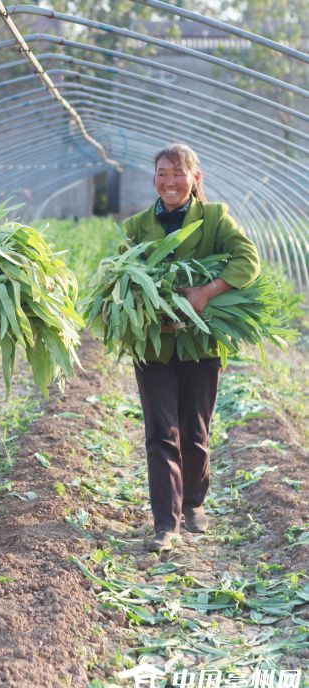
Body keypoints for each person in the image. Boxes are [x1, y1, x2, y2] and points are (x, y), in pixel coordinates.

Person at [123, 143, 260, 552]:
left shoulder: (215, 218)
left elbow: (247, 259)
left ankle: (195, 502)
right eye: (163, 173)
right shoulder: (137, 226)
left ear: (195, 178)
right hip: (155, 345)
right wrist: (148, 311)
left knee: (195, 431)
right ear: (154, 178)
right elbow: (123, 279)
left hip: (201, 341)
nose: (170, 181)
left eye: (179, 173)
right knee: (161, 433)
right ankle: (165, 523)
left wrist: (206, 292)